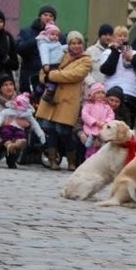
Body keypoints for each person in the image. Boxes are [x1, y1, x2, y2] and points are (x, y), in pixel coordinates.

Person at [34, 30, 92, 171]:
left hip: (68, 100)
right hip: (52, 97)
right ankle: (53, 160)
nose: (76, 46)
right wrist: (45, 77)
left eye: (79, 43)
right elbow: (43, 70)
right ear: (68, 44)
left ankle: (71, 161)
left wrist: (51, 75)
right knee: (50, 130)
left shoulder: (86, 59)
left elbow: (73, 75)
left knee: (64, 131)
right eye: (73, 43)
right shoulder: (61, 54)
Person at [100, 25, 136, 128]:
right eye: (119, 35)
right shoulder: (107, 53)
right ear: (114, 37)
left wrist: (132, 58)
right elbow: (107, 70)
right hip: (112, 94)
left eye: (124, 35)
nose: (122, 38)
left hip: (131, 95)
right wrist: (115, 51)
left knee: (127, 128)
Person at [0, 91, 47, 167]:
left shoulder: (27, 114)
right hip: (8, 127)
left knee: (20, 135)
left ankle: (16, 144)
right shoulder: (8, 110)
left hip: (19, 129)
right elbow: (0, 116)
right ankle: (9, 145)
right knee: (6, 133)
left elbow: (35, 125)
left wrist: (41, 135)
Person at [16, 4, 59, 94]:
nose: (48, 18)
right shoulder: (26, 32)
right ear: (40, 16)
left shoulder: (57, 35)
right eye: (45, 15)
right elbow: (19, 49)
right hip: (29, 77)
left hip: (50, 79)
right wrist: (36, 39)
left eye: (51, 16)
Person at [80, 82, 115, 158]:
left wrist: (105, 122)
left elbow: (111, 115)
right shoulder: (89, 105)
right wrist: (94, 122)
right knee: (90, 148)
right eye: (98, 93)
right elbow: (85, 115)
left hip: (101, 129)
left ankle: (97, 157)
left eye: (102, 93)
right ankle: (88, 158)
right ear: (93, 94)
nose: (101, 94)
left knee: (99, 148)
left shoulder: (106, 106)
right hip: (91, 129)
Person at [36, 22, 66, 103]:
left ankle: (39, 91)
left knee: (46, 80)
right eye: (52, 34)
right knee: (53, 80)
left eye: (57, 35)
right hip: (50, 64)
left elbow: (60, 49)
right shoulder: (44, 45)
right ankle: (49, 94)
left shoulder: (57, 43)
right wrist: (46, 64)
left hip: (56, 63)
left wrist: (68, 46)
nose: (55, 37)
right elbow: (44, 55)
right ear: (47, 35)